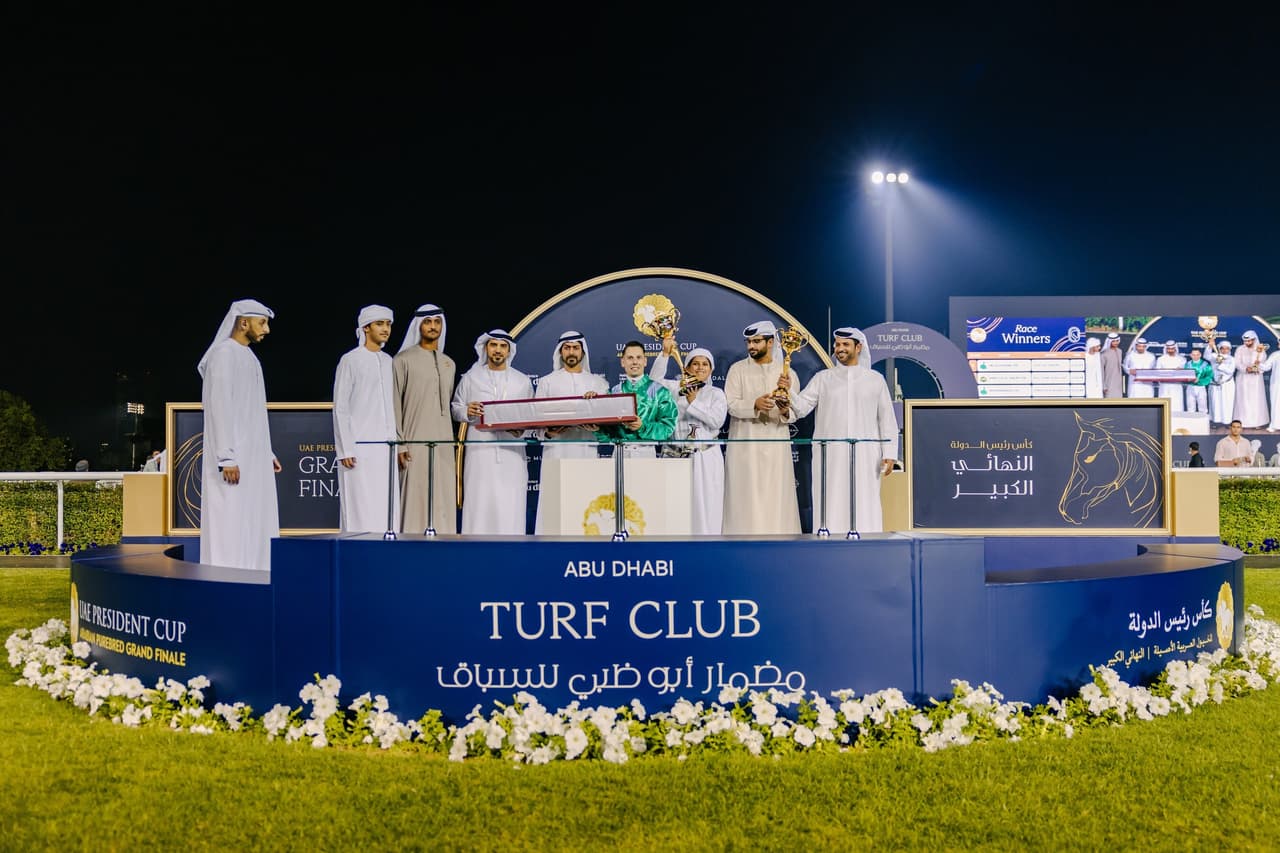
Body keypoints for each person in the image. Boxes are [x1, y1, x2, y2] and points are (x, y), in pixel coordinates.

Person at [197, 298, 281, 571]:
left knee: (253, 517)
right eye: (262, 323)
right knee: (230, 518)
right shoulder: (223, 355)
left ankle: (253, 573)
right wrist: (226, 457)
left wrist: (265, 452)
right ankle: (225, 577)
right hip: (232, 459)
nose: (266, 329)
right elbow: (219, 408)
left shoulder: (249, 357)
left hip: (251, 457)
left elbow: (252, 414)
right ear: (243, 322)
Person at [789, 327, 898, 533]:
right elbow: (801, 408)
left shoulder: (875, 379)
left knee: (865, 499)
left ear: (859, 347)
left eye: (845, 345)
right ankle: (828, 543)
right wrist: (787, 392)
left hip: (866, 455)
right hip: (830, 454)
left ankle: (867, 543)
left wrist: (890, 454)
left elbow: (887, 420)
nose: (840, 348)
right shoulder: (823, 378)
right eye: (837, 344)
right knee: (830, 496)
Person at [722, 320, 801, 535]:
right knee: (745, 497)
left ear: (771, 342)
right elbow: (729, 404)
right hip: (744, 445)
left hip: (776, 444)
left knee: (776, 496)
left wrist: (785, 410)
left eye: (756, 341)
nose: (751, 347)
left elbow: (795, 411)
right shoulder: (737, 370)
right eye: (749, 342)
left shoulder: (786, 373)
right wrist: (754, 405)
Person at [451, 329, 533, 534]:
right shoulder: (471, 377)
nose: (498, 350)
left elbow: (531, 417)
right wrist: (467, 411)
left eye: (503, 346)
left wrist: (520, 430)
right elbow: (455, 408)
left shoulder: (521, 381)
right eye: (493, 345)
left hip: (512, 455)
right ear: (486, 348)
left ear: (509, 351)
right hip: (480, 454)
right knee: (479, 503)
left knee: (510, 504)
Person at [649, 336, 729, 535]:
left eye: (705, 364)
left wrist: (694, 402)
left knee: (706, 507)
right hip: (674, 455)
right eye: (695, 363)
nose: (700, 368)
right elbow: (651, 383)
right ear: (687, 367)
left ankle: (708, 551)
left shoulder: (715, 393)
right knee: (675, 507)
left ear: (711, 370)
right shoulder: (674, 388)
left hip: (706, 456)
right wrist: (665, 354)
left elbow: (717, 421)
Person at [532, 330, 610, 534]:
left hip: (586, 451)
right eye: (567, 348)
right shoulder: (546, 382)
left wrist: (597, 425)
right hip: (556, 453)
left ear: (583, 351)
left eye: (575, 347)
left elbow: (607, 424)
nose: (571, 352)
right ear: (560, 351)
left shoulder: (598, 384)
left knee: (586, 499)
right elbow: (537, 422)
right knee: (555, 501)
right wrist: (550, 433)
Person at [333, 304, 399, 534]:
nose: (385, 329)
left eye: (388, 324)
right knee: (359, 506)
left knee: (386, 506)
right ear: (366, 327)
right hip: (358, 449)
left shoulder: (389, 361)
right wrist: (346, 449)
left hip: (385, 449)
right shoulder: (350, 360)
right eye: (380, 324)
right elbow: (340, 407)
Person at [392, 304, 458, 534]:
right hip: (413, 438)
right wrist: (400, 442)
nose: (432, 327)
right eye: (427, 322)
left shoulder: (449, 363)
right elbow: (394, 405)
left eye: (437, 322)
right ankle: (410, 541)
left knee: (443, 490)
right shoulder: (402, 360)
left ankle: (444, 539)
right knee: (415, 491)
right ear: (418, 326)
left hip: (444, 441)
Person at [590, 340, 677, 457]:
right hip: (620, 452)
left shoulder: (660, 392)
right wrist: (597, 429)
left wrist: (643, 427)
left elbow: (668, 428)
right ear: (623, 362)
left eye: (639, 357)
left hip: (647, 453)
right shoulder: (614, 392)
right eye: (630, 358)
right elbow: (609, 434)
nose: (635, 362)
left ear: (645, 361)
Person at [1233, 330, 1269, 428]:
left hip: (1256, 379)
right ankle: (1242, 422)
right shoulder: (1240, 349)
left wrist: (1257, 367)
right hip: (1242, 378)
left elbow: (1264, 363)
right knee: (1243, 400)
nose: (1247, 343)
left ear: (1254, 340)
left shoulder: (1260, 350)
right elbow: (1237, 363)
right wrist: (1245, 369)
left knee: (1256, 400)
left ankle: (1258, 423)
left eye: (1249, 341)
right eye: (1245, 341)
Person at [1209, 339, 1236, 426]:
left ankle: (1227, 422)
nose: (1224, 350)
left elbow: (1230, 371)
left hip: (1227, 384)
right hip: (1215, 384)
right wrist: (1210, 345)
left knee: (1227, 403)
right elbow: (1206, 355)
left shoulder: (1232, 359)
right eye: (1222, 348)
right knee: (1215, 403)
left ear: (1229, 349)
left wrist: (1221, 364)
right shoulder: (1214, 356)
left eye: (1227, 348)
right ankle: (1215, 421)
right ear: (1219, 349)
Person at [1153, 340, 1185, 412]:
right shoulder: (1161, 359)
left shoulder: (1182, 359)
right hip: (1164, 386)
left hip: (1176, 386)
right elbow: (1157, 372)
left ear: (1175, 349)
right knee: (1164, 406)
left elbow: (1182, 372)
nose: (1170, 350)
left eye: (1172, 349)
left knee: (1177, 405)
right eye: (1168, 349)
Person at [1184, 346, 1212, 415]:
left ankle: (1203, 424)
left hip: (1201, 387)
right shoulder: (1187, 364)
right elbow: (1184, 376)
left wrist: (1200, 381)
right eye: (1193, 355)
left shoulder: (1206, 364)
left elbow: (1209, 377)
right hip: (1190, 387)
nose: (1195, 356)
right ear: (1190, 355)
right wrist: (1188, 379)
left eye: (1197, 354)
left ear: (1200, 355)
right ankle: (1190, 424)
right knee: (1190, 407)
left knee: (1203, 408)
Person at [1100, 332, 1124, 398]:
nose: (1116, 343)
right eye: (1113, 341)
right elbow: (1101, 371)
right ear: (1109, 341)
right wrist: (1103, 386)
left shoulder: (1120, 351)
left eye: (1117, 341)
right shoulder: (1104, 354)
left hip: (1118, 384)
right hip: (1108, 383)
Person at [1265, 344, 1280, 431]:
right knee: (1276, 403)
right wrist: (1258, 365)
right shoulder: (1275, 355)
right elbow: (1266, 367)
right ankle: (1275, 425)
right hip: (1277, 384)